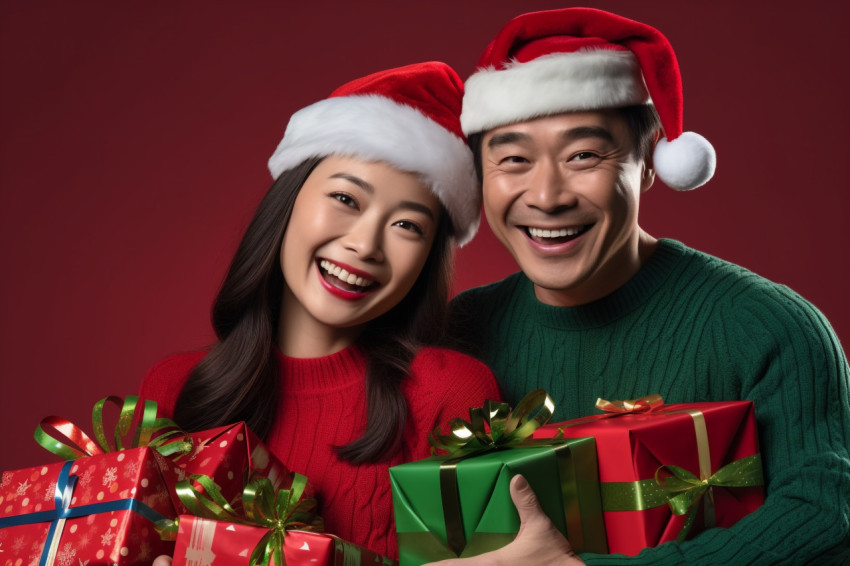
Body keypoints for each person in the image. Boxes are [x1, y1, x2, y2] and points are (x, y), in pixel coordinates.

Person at [441, 7, 850, 565]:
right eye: (513, 159)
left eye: (583, 155)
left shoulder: (768, 328)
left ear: (650, 159)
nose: (547, 195)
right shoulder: (458, 334)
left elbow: (825, 519)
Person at [139, 61, 502, 561]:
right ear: (289, 200)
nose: (365, 244)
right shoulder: (172, 388)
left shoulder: (449, 393)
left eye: (407, 226)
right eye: (345, 198)